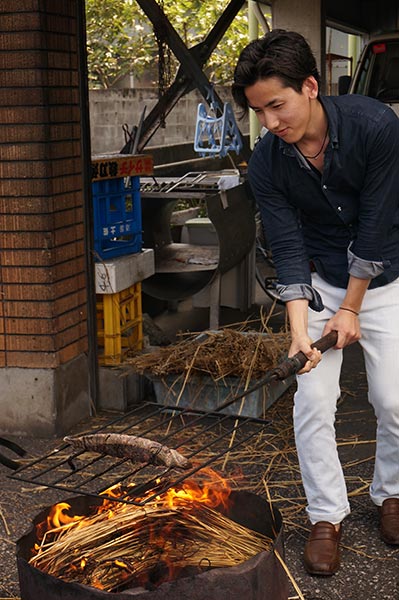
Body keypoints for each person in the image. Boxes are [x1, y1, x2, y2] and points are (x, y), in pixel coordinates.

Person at [232, 29, 399, 576]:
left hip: (387, 278)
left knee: (393, 398)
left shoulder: (375, 125)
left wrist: (352, 308)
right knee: (312, 402)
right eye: (260, 113)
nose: (271, 123)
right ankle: (327, 516)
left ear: (309, 86)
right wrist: (299, 329)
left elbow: (375, 227)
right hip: (323, 280)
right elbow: (286, 245)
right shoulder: (267, 160)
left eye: (277, 106)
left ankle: (392, 494)